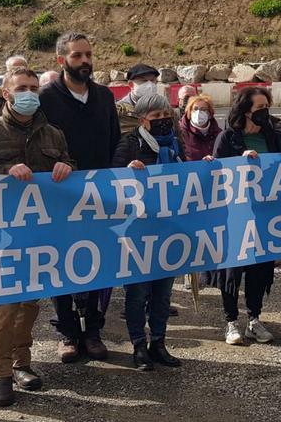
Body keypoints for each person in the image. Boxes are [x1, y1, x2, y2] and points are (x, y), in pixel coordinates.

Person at [0, 67, 74, 406]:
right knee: (4, 306)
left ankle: (21, 363)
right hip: (0, 236)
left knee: (28, 304)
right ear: (7, 94)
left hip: (39, 234)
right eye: (22, 88)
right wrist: (3, 172)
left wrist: (67, 167)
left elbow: (69, 166)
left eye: (34, 88)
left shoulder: (53, 134)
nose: (29, 93)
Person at [39, 32, 120, 363]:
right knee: (62, 264)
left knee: (101, 265)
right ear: (61, 60)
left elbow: (115, 141)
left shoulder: (103, 96)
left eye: (88, 54)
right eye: (77, 56)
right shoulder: (46, 98)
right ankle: (67, 331)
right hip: (59, 196)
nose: (85, 61)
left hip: (100, 196)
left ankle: (94, 330)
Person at [207, 86, 281, 345]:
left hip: (264, 214)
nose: (265, 113)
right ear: (246, 111)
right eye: (259, 108)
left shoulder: (273, 136)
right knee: (232, 271)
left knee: (260, 269)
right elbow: (217, 175)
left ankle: (254, 318)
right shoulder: (228, 138)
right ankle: (231, 321)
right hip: (234, 216)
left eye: (266, 107)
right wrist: (241, 162)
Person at [112, 94, 182, 370]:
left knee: (163, 293)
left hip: (168, 229)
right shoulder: (129, 144)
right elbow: (111, 180)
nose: (164, 121)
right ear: (142, 120)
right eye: (156, 117)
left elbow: (188, 175)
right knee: (138, 293)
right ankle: (139, 345)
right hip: (136, 232)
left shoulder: (175, 143)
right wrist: (127, 171)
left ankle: (159, 343)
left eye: (166, 115)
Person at [117, 63, 161, 135]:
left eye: (152, 80)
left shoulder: (163, 109)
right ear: (131, 84)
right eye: (144, 81)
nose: (150, 85)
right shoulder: (120, 111)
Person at [179, 93, 221, 162]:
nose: (198, 112)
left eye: (203, 109)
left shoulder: (219, 134)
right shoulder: (180, 133)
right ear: (189, 112)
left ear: (210, 114)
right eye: (195, 109)